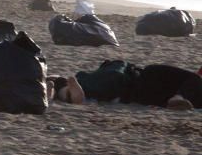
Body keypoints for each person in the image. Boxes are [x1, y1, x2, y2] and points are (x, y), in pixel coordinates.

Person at [50, 60, 202, 111]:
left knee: (95, 87)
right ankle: (61, 89)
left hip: (133, 85)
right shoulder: (193, 82)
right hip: (132, 86)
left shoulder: (191, 80)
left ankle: (60, 88)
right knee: (97, 88)